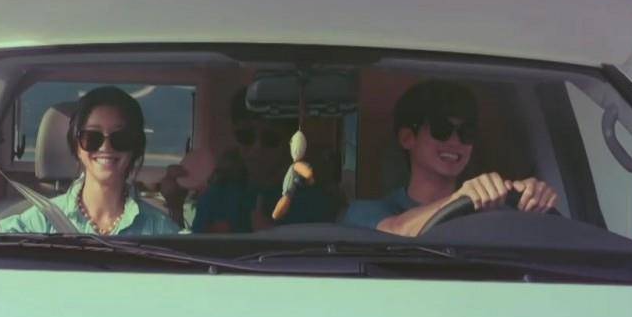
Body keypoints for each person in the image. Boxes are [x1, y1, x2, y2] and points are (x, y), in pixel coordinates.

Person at [342, 80, 559, 237]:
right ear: (408, 138)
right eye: (441, 129)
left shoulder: (497, 212)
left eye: (466, 132)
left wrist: (534, 201)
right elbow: (396, 231)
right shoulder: (365, 211)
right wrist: (459, 199)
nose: (455, 141)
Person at [0, 86, 180, 236]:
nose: (106, 147)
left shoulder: (162, 232)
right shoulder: (36, 224)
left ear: (135, 147)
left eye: (120, 138)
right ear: (76, 145)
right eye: (92, 137)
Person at [189, 88, 336, 233]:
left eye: (270, 139)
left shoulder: (313, 201)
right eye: (246, 137)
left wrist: (271, 236)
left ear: (290, 144)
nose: (256, 149)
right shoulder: (216, 197)